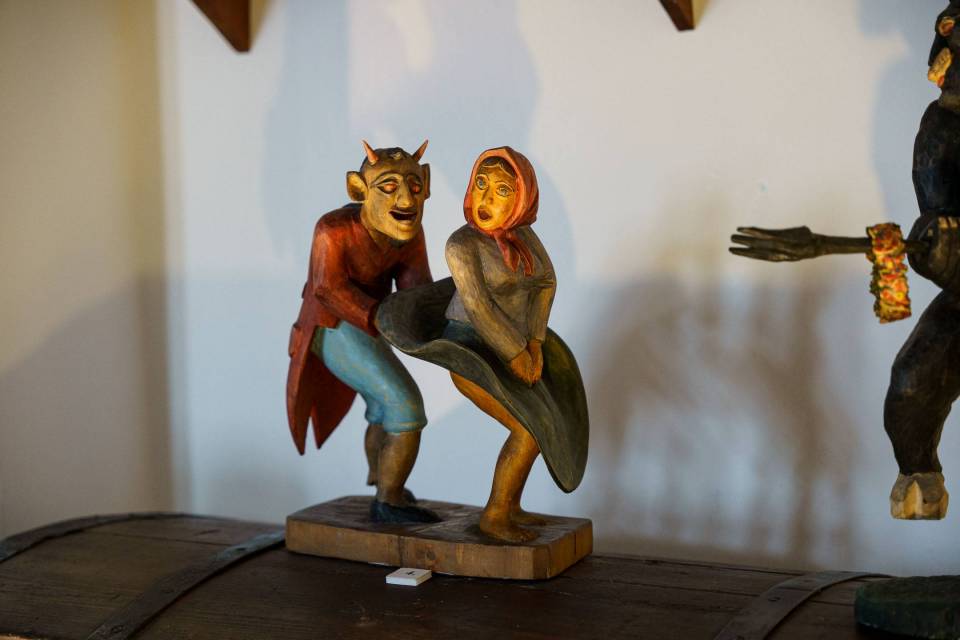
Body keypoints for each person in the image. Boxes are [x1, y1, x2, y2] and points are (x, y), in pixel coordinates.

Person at [376, 146, 589, 542]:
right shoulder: (462, 245)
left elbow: (546, 283)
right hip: (469, 349)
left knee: (536, 429)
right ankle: (495, 516)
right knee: (527, 431)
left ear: (523, 199)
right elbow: (478, 306)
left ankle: (510, 506)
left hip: (514, 348)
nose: (486, 198)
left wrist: (535, 342)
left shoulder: (524, 238)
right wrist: (516, 353)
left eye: (502, 190)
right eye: (481, 184)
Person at [286, 140, 440, 523]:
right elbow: (328, 289)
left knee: (384, 405)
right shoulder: (333, 230)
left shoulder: (409, 234)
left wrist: (444, 310)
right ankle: (389, 499)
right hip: (331, 326)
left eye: (414, 186)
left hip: (370, 324)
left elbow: (416, 289)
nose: (405, 199)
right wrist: (382, 319)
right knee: (405, 405)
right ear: (358, 189)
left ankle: (383, 479)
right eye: (388, 186)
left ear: (426, 185)